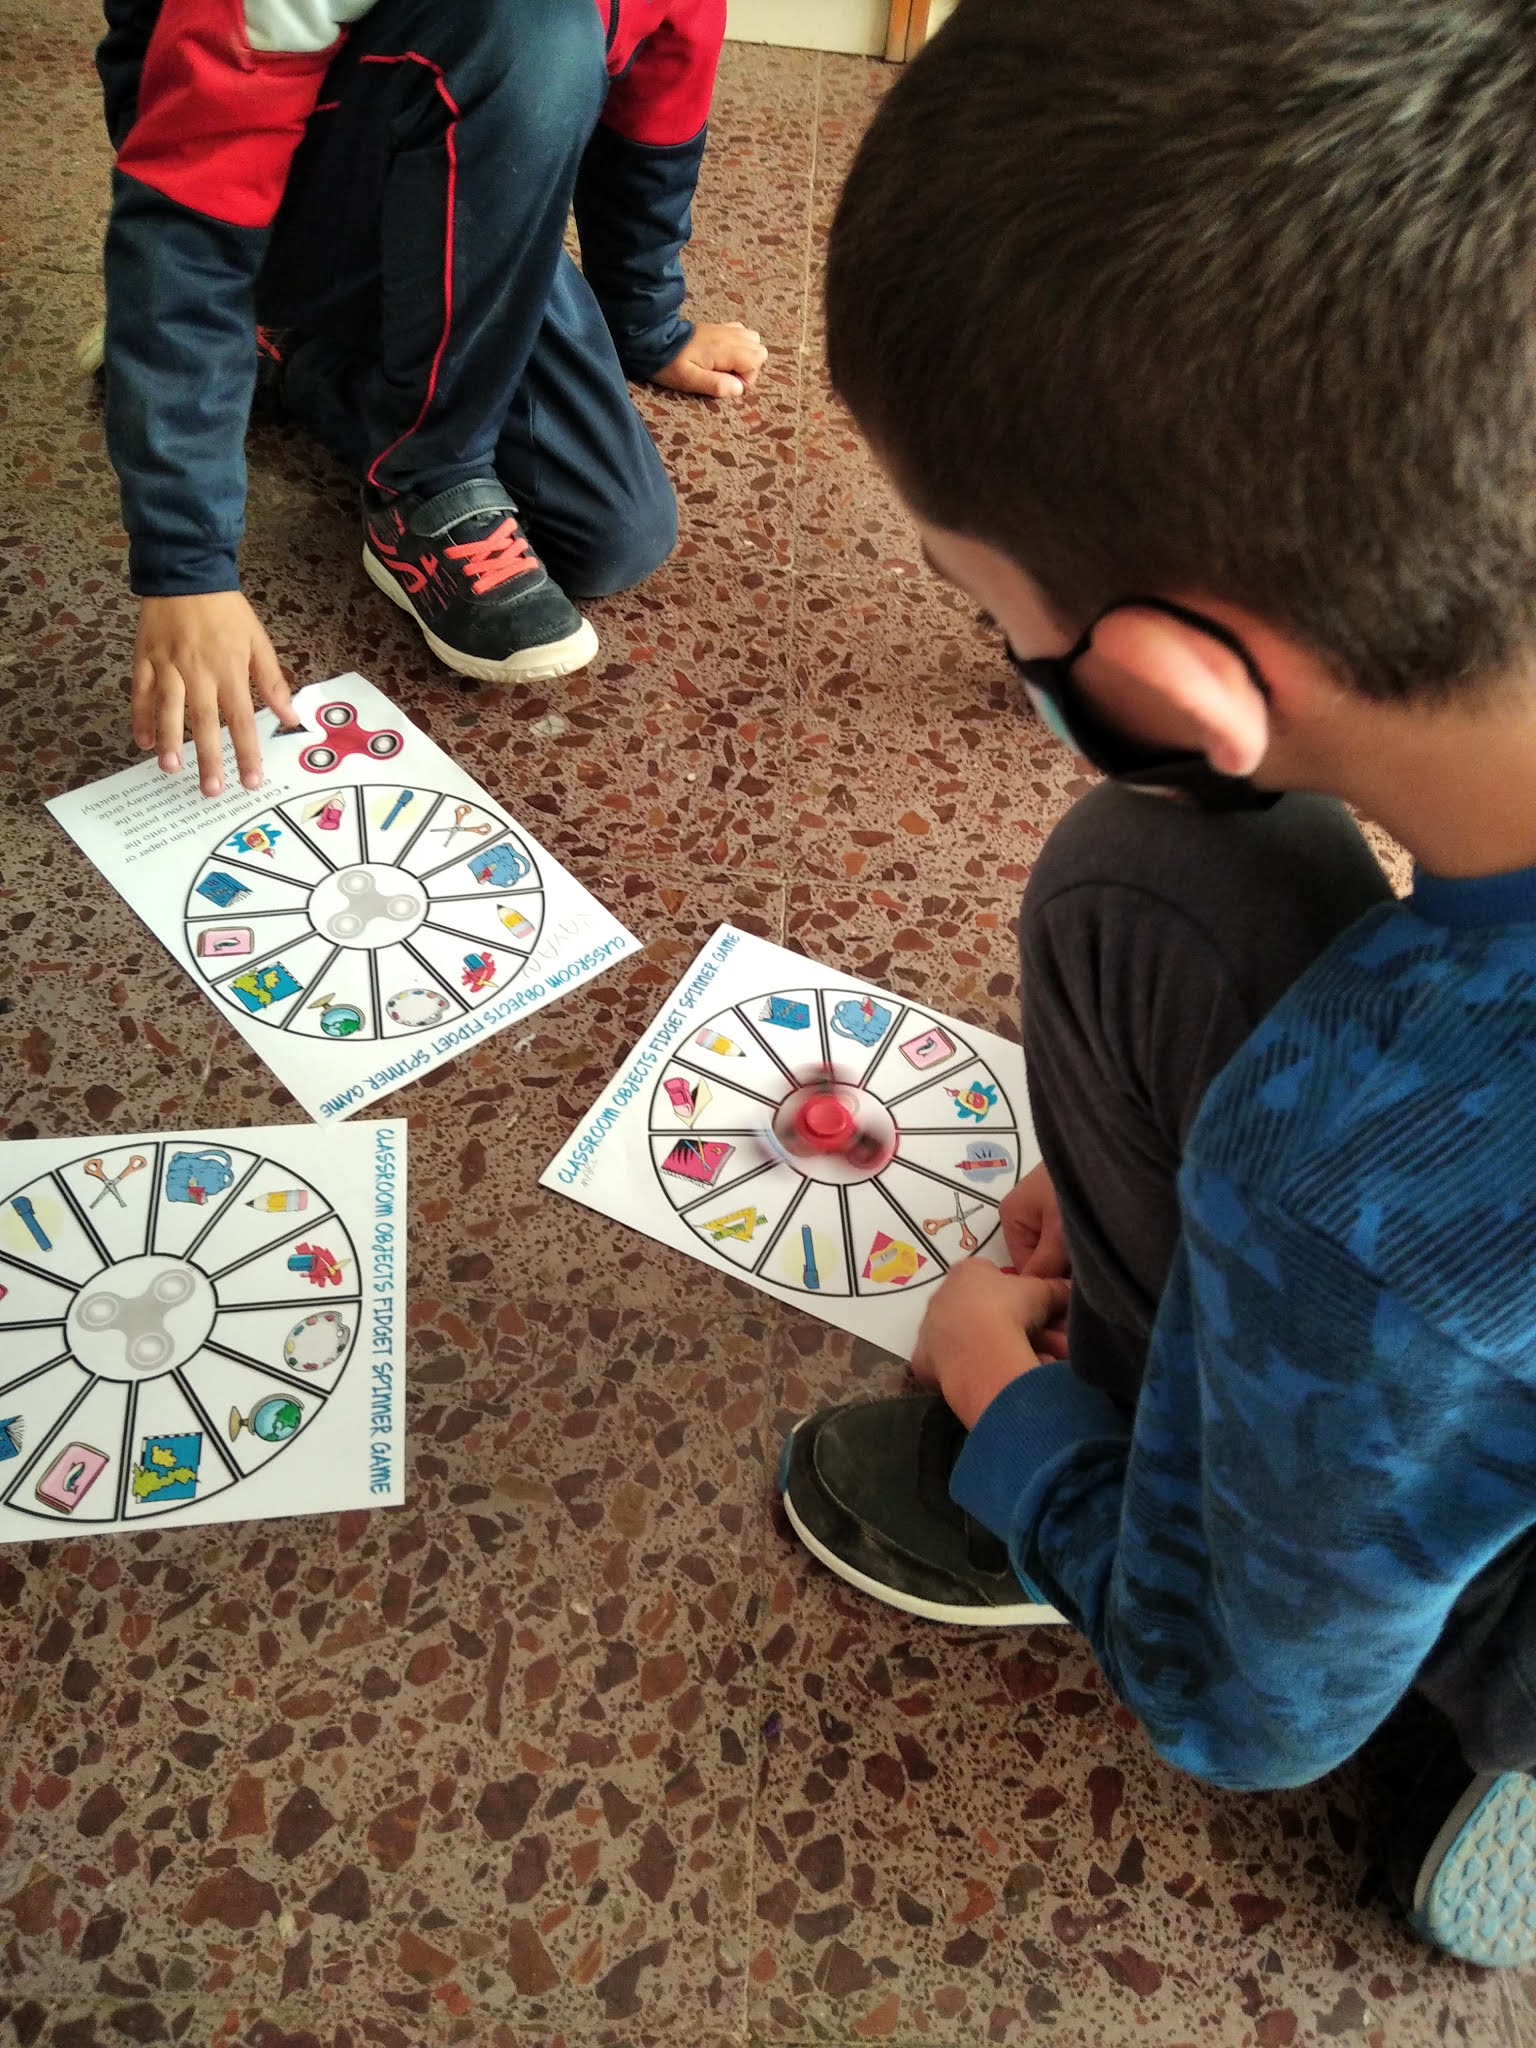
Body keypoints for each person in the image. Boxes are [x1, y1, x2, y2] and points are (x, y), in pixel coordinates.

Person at [779, 0, 1536, 1968]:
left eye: (983, 602)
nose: (983, 633)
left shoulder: (1354, 1172)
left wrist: (1000, 1399)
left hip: (1417, 1565)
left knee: (1148, 878)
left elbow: (1247, 1713)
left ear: (1179, 685)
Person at [94, 0, 767, 797]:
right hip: (273, 194)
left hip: (470, 183)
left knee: (614, 533)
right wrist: (188, 568)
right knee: (530, 32)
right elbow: (187, 223)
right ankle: (420, 480)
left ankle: (298, 357)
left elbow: (654, 120)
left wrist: (649, 327)